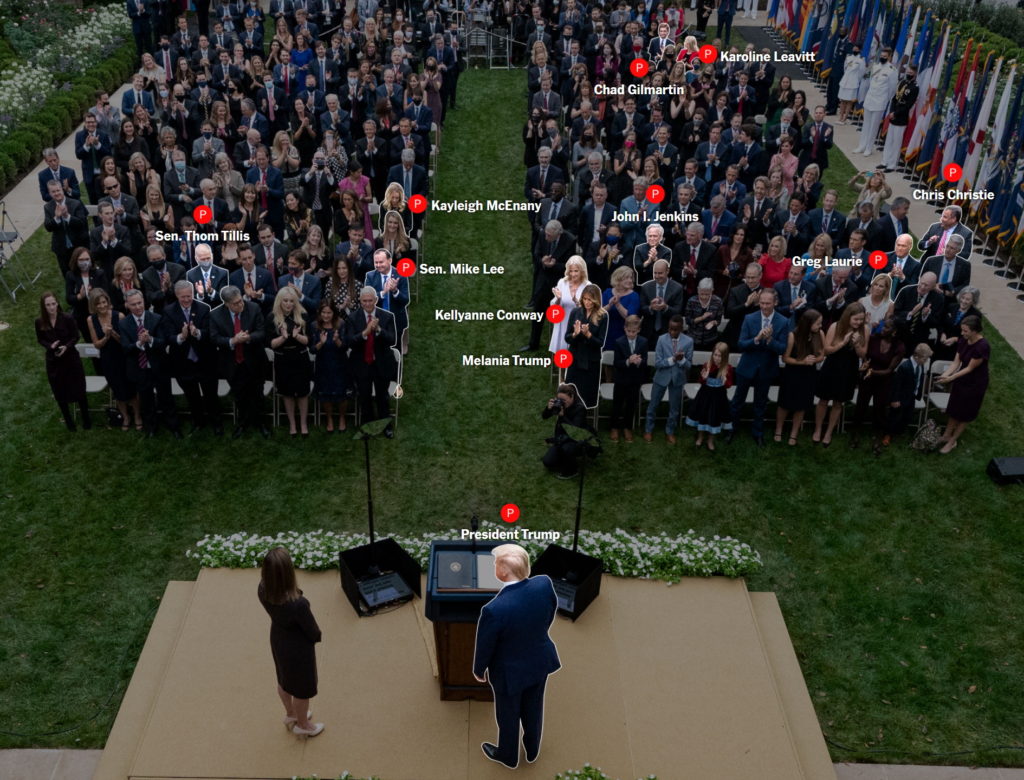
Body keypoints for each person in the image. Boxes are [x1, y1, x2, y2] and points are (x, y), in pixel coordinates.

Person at [473, 543, 561, 769]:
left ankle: (508, 755)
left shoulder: (494, 609)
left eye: (495, 563)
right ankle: (532, 750)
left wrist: (479, 669)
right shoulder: (544, 584)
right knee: (534, 709)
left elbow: (485, 645)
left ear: (503, 572)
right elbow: (550, 612)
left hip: (508, 673)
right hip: (539, 661)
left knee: (508, 716)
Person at [258, 547, 324, 737]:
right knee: (302, 690)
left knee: (284, 679)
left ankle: (291, 713)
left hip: (278, 639)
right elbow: (313, 631)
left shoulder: (262, 589)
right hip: (298, 649)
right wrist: (316, 636)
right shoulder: (298, 604)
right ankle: (303, 725)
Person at [161, 280, 223, 436]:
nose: (187, 300)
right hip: (183, 362)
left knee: (211, 395)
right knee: (192, 396)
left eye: (189, 296)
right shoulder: (168, 311)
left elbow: (211, 333)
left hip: (205, 361)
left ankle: (217, 423)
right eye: (183, 297)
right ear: (176, 296)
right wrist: (181, 336)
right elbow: (168, 337)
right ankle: (198, 422)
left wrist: (197, 333)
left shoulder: (203, 308)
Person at [728, 288, 790, 446]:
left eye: (767, 303)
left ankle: (758, 432)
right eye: (761, 303)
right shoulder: (749, 318)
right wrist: (756, 339)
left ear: (775, 303)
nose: (764, 306)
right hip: (747, 367)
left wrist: (770, 341)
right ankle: (732, 428)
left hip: (767, 369)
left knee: (760, 404)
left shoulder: (783, 322)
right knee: (737, 401)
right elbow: (741, 344)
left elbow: (782, 349)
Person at [119, 289, 182, 438]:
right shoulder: (123, 324)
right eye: (133, 304)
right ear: (127, 305)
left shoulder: (156, 318)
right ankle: (151, 427)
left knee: (166, 398)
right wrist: (139, 343)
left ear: (144, 302)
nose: (138, 307)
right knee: (146, 401)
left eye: (140, 303)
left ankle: (173, 426)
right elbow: (125, 348)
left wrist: (150, 340)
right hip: (139, 368)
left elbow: (164, 342)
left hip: (159, 366)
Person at [210, 285, 271, 439]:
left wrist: (248, 338)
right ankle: (243, 423)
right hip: (232, 364)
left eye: (241, 301)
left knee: (257, 394)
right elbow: (214, 338)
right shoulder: (216, 315)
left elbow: (262, 332)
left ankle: (261, 423)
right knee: (240, 396)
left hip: (254, 361)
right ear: (226, 304)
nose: (240, 304)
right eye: (236, 303)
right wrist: (232, 340)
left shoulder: (254, 308)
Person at [812, 302, 869, 446]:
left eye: (861, 319)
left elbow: (863, 355)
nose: (859, 322)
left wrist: (856, 344)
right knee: (823, 400)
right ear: (848, 317)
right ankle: (818, 430)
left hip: (849, 369)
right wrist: (843, 343)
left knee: (838, 402)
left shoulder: (865, 330)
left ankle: (829, 432)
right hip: (832, 366)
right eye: (856, 319)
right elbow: (827, 350)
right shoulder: (835, 326)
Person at [35, 292, 91, 432]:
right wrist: (50, 346)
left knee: (79, 388)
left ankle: (86, 419)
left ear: (57, 303)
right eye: (48, 305)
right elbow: (40, 339)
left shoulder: (67, 318)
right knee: (59, 391)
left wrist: (66, 346)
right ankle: (69, 421)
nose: (52, 307)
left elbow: (75, 336)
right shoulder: (40, 321)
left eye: (53, 304)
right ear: (44, 306)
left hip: (71, 358)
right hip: (54, 361)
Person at [345, 287, 397, 431]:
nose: (368, 304)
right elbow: (349, 341)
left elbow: (392, 340)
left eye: (370, 301)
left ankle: (386, 426)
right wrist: (365, 333)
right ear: (360, 302)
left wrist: (379, 329)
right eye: (364, 301)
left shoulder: (386, 317)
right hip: (362, 364)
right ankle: (367, 426)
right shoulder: (353, 318)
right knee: (365, 397)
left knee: (382, 397)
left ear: (375, 300)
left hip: (381, 363)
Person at [936, 315, 989, 455]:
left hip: (975, 384)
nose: (962, 333)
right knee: (954, 408)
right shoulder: (963, 341)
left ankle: (952, 441)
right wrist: (945, 375)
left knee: (965, 413)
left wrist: (951, 378)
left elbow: (970, 368)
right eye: (962, 330)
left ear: (975, 331)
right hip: (962, 379)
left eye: (965, 331)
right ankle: (947, 435)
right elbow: (956, 363)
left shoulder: (982, 346)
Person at [848, 317, 904, 449]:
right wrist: (865, 364)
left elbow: (890, 370)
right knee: (860, 407)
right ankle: (855, 435)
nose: (883, 329)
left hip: (884, 381)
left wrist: (872, 372)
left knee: (880, 410)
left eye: (886, 327)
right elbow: (865, 355)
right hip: (867, 379)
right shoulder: (874, 338)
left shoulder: (899, 347)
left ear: (894, 332)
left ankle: (877, 437)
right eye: (883, 326)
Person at [774, 309, 824, 446]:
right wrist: (803, 362)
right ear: (808, 323)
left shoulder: (819, 334)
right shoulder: (793, 336)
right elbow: (785, 358)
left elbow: (822, 354)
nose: (820, 326)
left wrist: (814, 360)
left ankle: (794, 433)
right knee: (784, 403)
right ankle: (779, 429)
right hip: (792, 373)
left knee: (802, 405)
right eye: (818, 323)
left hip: (809, 375)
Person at [268, 286, 313, 436]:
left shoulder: (303, 315)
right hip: (282, 359)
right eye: (285, 301)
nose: (288, 304)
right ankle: (292, 425)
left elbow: (308, 341)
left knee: (302, 393)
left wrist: (296, 336)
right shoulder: (272, 317)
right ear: (279, 301)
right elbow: (270, 344)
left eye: (291, 301)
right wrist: (283, 337)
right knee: (287, 393)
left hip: (300, 357)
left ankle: (303, 424)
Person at [644, 315, 692, 444]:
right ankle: (648, 429)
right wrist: (673, 360)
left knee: (674, 408)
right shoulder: (661, 339)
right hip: (661, 378)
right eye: (670, 329)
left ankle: (670, 431)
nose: (672, 332)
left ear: (681, 328)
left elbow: (689, 365)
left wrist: (682, 360)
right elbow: (658, 363)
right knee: (653, 404)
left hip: (678, 379)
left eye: (675, 329)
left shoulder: (688, 342)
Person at [880, 342, 932, 452]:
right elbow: (896, 384)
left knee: (907, 416)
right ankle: (887, 434)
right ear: (918, 356)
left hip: (911, 396)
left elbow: (919, 379)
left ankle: (899, 431)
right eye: (926, 358)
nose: (926, 361)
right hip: (900, 397)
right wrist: (895, 399)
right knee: (894, 416)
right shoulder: (905, 367)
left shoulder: (921, 365)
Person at [564, 283, 609, 409]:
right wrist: (575, 334)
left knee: (587, 394)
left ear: (596, 300)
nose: (587, 302)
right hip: (576, 358)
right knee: (571, 390)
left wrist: (588, 334)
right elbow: (567, 338)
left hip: (591, 360)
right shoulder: (575, 312)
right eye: (585, 299)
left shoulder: (603, 316)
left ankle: (585, 417)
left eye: (590, 299)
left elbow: (600, 343)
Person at [686, 341, 734, 451]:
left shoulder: (728, 368)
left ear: (725, 356)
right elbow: (701, 381)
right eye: (715, 355)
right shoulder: (707, 365)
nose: (717, 358)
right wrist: (703, 377)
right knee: (703, 415)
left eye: (720, 356)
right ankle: (700, 436)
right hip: (705, 396)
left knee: (714, 417)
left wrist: (725, 381)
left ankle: (710, 440)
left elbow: (729, 385)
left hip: (718, 398)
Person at [309, 302, 349, 433]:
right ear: (320, 313)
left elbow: (345, 348)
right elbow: (313, 350)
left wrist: (337, 340)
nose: (326, 315)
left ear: (334, 313)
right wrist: (321, 342)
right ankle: (330, 418)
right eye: (323, 313)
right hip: (323, 364)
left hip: (339, 364)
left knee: (341, 393)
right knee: (325, 393)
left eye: (329, 313)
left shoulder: (341, 324)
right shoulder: (314, 326)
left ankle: (342, 417)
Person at [610, 314, 649, 443]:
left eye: (634, 331)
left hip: (635, 380)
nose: (631, 334)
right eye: (629, 331)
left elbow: (645, 363)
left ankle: (627, 428)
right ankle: (614, 427)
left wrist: (638, 362)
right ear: (624, 329)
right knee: (617, 404)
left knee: (631, 404)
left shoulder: (643, 342)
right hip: (621, 379)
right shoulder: (619, 342)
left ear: (639, 330)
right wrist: (628, 361)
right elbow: (616, 363)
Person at [540, 383, 590, 478]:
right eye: (559, 399)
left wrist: (563, 416)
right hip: (560, 439)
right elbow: (544, 416)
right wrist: (548, 408)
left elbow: (575, 430)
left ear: (572, 397)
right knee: (548, 462)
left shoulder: (580, 409)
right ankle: (563, 458)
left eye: (563, 400)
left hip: (575, 440)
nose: (561, 402)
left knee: (566, 449)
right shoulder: (560, 405)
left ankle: (572, 471)